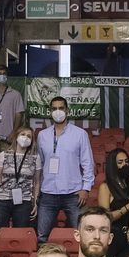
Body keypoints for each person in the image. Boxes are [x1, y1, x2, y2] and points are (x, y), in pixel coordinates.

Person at [35, 96, 95, 242]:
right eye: (54, 109)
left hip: (73, 193)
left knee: (81, 235)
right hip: (48, 192)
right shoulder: (42, 135)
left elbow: (88, 163)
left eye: (61, 108)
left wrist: (86, 188)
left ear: (67, 110)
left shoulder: (80, 134)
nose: (58, 111)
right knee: (42, 236)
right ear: (50, 112)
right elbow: (40, 164)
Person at [0, 124, 40, 229]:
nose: (25, 137)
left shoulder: (35, 157)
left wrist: (35, 203)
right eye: (23, 134)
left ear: (32, 140)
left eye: (29, 136)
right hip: (2, 199)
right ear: (16, 136)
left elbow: (37, 183)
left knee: (20, 232)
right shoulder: (3, 155)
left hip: (24, 200)